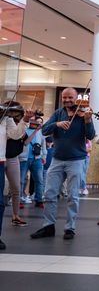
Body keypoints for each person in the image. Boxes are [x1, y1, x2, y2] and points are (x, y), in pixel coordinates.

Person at [30, 87, 96, 240]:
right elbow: (44, 130)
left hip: (76, 160)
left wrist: (87, 120)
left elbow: (91, 135)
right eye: (64, 97)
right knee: (49, 193)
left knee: (73, 196)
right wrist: (57, 124)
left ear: (76, 98)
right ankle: (48, 226)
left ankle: (70, 228)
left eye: (70, 97)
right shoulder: (58, 113)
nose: (67, 100)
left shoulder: (83, 114)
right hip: (57, 159)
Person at [0, 105, 33, 249]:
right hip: (3, 158)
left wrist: (26, 120)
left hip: (6, 159)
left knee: (5, 197)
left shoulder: (7, 120)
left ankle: (14, 217)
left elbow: (17, 136)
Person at [21, 115, 47, 208]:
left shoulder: (40, 132)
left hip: (37, 159)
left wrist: (44, 156)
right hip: (24, 158)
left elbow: (43, 145)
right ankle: (19, 200)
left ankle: (39, 200)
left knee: (39, 180)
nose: (35, 123)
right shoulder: (24, 129)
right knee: (21, 180)